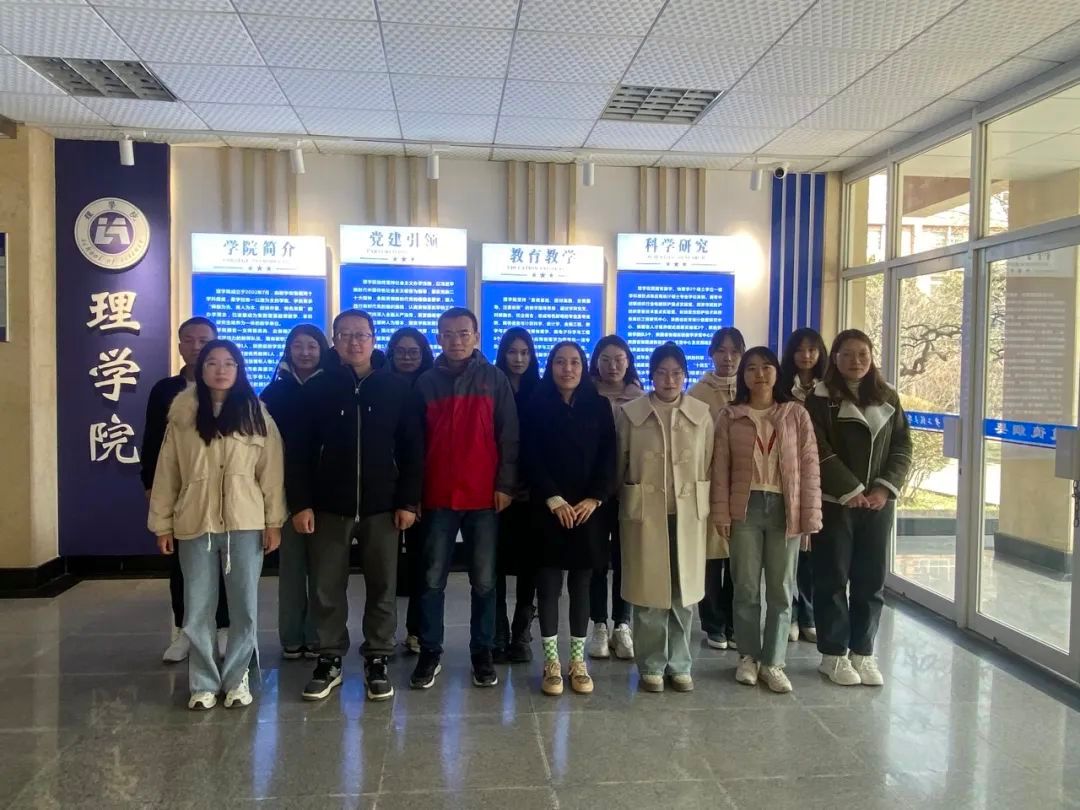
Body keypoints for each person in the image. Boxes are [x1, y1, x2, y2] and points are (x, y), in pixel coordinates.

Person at [286, 310, 424, 702]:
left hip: (383, 507)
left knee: (383, 585)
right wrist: (301, 503)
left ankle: (378, 657)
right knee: (327, 586)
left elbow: (413, 450)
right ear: (334, 341)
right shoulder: (317, 388)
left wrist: (408, 501)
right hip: (329, 506)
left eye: (361, 334)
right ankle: (329, 658)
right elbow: (299, 452)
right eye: (345, 335)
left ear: (374, 339)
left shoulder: (396, 388)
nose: (354, 342)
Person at [148, 340, 285, 710]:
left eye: (229, 363)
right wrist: (162, 524)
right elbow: (167, 473)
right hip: (195, 522)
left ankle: (238, 677)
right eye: (212, 363)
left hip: (245, 522)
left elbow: (271, 474)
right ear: (201, 369)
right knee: (197, 608)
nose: (221, 370)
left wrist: (273, 522)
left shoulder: (257, 415)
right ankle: (204, 682)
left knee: (244, 607)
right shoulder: (182, 417)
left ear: (239, 369)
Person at [410, 307, 519, 690]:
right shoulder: (426, 382)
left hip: (484, 496)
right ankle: (430, 651)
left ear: (476, 337)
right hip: (437, 495)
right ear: (438, 338)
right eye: (448, 334)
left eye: (463, 333)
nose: (456, 341)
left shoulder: (494, 379)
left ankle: (482, 652)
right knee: (431, 579)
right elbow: (414, 443)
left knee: (484, 581)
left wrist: (505, 485)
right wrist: (414, 494)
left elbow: (509, 436)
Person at [711, 347, 822, 694]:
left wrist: (810, 517)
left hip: (785, 509)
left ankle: (773, 662)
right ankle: (748, 656)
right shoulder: (730, 416)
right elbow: (720, 468)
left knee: (781, 589)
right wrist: (720, 513)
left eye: (766, 367)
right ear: (743, 375)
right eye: (752, 368)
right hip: (744, 508)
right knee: (744, 587)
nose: (759, 374)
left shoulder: (795, 414)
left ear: (777, 372)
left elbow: (810, 467)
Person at [806, 329, 912, 687]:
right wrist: (849, 489)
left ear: (871, 358)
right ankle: (833, 654)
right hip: (836, 503)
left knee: (871, 579)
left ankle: (863, 652)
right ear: (835, 358)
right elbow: (816, 448)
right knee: (832, 578)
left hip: (877, 505)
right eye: (847, 354)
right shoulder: (819, 398)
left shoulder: (888, 397)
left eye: (863, 354)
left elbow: (902, 446)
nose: (856, 361)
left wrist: (884, 488)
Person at [616, 343, 713, 693]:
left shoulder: (701, 414)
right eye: (661, 372)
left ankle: (681, 664)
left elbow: (708, 463)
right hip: (645, 514)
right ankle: (651, 665)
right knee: (649, 592)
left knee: (683, 593)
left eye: (676, 373)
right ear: (651, 374)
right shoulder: (631, 414)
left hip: (687, 514)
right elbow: (620, 463)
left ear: (684, 375)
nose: (669, 380)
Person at [524, 342, 616, 695]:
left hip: (588, 510)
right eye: (560, 362)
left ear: (583, 367)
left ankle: (577, 662)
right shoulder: (536, 404)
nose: (568, 369)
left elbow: (609, 456)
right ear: (550, 367)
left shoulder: (599, 405)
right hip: (548, 509)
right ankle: (551, 663)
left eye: (575, 362)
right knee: (548, 587)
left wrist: (595, 497)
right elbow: (530, 456)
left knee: (581, 586)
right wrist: (553, 498)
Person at [141, 316, 230, 664]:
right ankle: (183, 630)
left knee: (224, 563)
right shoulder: (165, 390)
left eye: (203, 340)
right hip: (182, 490)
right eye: (189, 340)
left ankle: (223, 628)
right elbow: (153, 441)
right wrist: (150, 483)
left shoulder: (230, 389)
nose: (196, 346)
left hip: (224, 493)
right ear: (179, 347)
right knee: (182, 564)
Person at [260, 324, 329, 660]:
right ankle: (290, 636)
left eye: (311, 346)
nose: (305, 352)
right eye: (298, 345)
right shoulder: (273, 393)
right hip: (283, 492)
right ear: (288, 350)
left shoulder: (335, 387)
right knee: (290, 568)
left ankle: (317, 635)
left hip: (327, 494)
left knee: (323, 570)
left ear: (322, 350)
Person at [585, 335, 644, 661]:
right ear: (596, 362)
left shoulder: (640, 399)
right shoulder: (585, 394)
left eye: (619, 359)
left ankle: (623, 624)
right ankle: (599, 624)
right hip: (594, 493)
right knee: (596, 560)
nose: (612, 365)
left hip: (628, 490)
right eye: (605, 359)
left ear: (628, 361)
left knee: (626, 559)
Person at [688, 326, 744, 652]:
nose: (728, 358)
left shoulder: (751, 388)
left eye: (735, 351)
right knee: (710, 558)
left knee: (740, 558)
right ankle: (713, 623)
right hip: (708, 484)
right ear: (711, 354)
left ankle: (735, 622)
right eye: (721, 351)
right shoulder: (697, 393)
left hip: (743, 485)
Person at [493, 327, 541, 664]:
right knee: (493, 564)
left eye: (525, 352)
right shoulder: (492, 386)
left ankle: (521, 633)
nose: (519, 358)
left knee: (530, 566)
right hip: (496, 489)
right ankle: (497, 633)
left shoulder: (541, 391)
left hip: (532, 493)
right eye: (512, 352)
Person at [386, 327, 435, 656]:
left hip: (425, 488)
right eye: (401, 351)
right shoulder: (380, 385)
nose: (407, 357)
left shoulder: (430, 386)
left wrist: (416, 494)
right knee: (384, 570)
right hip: (384, 488)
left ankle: (417, 631)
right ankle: (383, 634)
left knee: (422, 566)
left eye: (413, 351)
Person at [779, 327, 829, 644]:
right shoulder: (783, 388)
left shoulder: (829, 390)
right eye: (800, 349)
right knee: (792, 551)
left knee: (815, 552)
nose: (806, 355)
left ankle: (809, 612)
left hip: (825, 477)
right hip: (790, 477)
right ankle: (792, 613)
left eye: (812, 349)